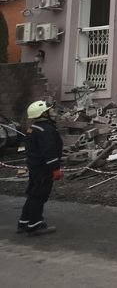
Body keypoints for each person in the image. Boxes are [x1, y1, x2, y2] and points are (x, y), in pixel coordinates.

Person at [18, 100, 63, 236]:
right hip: (44, 169)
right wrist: (55, 168)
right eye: (50, 110)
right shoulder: (45, 130)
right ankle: (35, 224)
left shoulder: (33, 129)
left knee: (33, 193)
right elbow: (49, 151)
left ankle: (24, 221)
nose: (53, 111)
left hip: (35, 167)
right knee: (39, 196)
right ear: (44, 113)